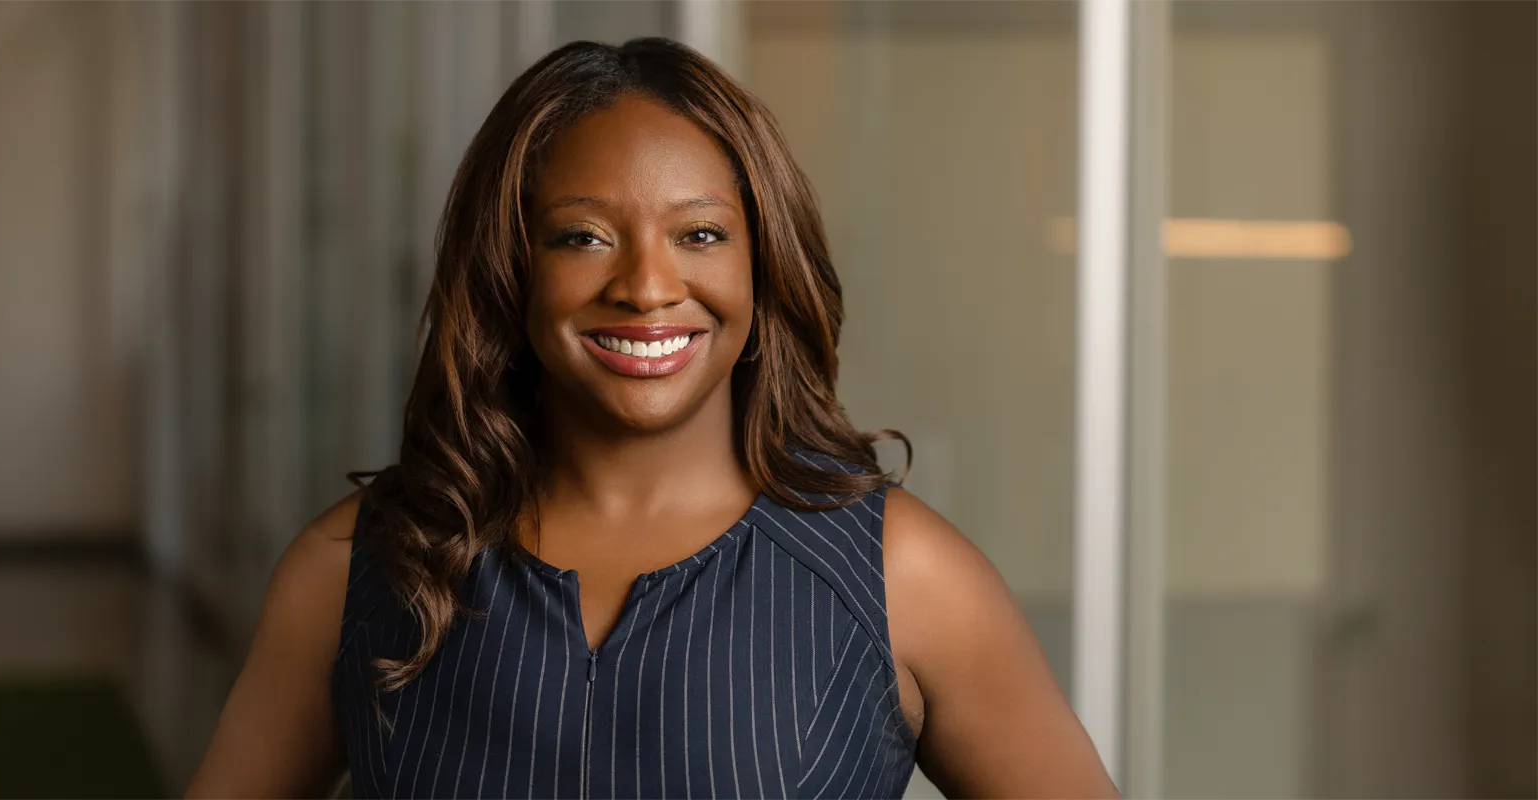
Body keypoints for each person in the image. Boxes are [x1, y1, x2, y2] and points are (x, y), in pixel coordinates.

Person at [186, 38, 1116, 800]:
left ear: (764, 263)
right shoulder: (352, 570)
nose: (645, 286)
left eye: (700, 235)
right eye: (583, 236)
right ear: (511, 268)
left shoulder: (903, 577)